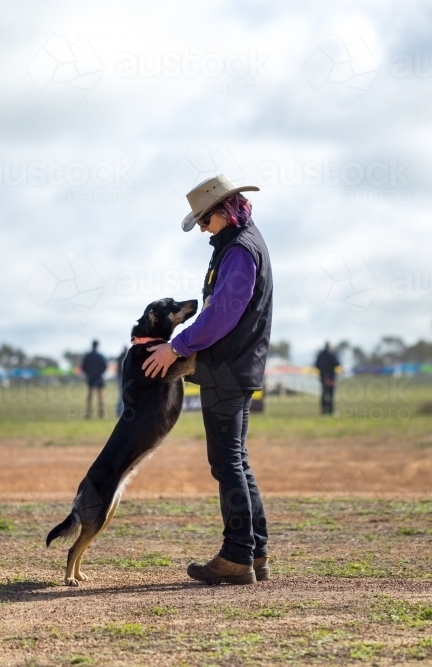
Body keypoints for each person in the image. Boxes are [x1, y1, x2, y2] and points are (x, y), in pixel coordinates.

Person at [142, 174, 271, 585]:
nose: (201, 227)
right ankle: (256, 551)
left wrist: (176, 346)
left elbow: (222, 315)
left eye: (203, 219)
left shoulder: (239, 250)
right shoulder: (239, 244)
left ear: (224, 210)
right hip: (236, 367)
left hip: (227, 369)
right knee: (237, 460)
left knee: (226, 461)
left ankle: (237, 556)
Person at [81, 340, 108, 419]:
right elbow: (105, 366)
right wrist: (100, 373)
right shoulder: (101, 356)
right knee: (100, 396)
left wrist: (88, 373)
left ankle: (88, 413)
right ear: (97, 346)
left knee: (90, 396)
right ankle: (101, 414)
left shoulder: (87, 356)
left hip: (91, 377)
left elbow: (83, 367)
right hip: (99, 377)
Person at [315, 342, 340, 415]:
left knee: (324, 394)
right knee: (331, 394)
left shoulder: (320, 355)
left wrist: (322, 370)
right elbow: (337, 363)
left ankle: (324, 410)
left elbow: (316, 365)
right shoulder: (331, 355)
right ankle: (331, 411)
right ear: (329, 347)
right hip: (331, 377)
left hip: (323, 377)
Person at [115, 345, 127, 418]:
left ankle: (119, 411)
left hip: (119, 378)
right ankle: (121, 412)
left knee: (120, 396)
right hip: (124, 378)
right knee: (123, 396)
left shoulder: (119, 357)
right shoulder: (127, 357)